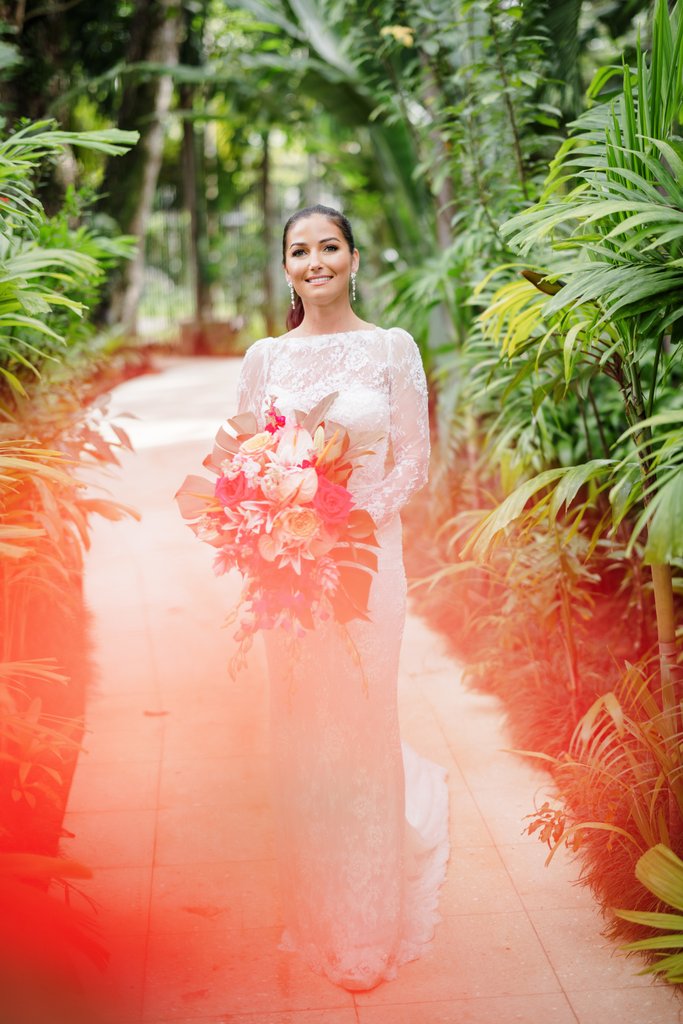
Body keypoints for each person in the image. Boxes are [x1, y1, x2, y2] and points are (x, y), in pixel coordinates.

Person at [234, 203, 449, 991]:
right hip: (286, 571)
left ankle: (366, 925)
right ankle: (313, 905)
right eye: (300, 250)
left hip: (367, 562)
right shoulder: (264, 358)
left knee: (361, 718)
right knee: (300, 725)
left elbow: (413, 460)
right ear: (285, 268)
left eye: (329, 246)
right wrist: (277, 522)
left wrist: (344, 521)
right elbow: (242, 460)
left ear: (354, 259)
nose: (315, 261)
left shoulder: (390, 348)